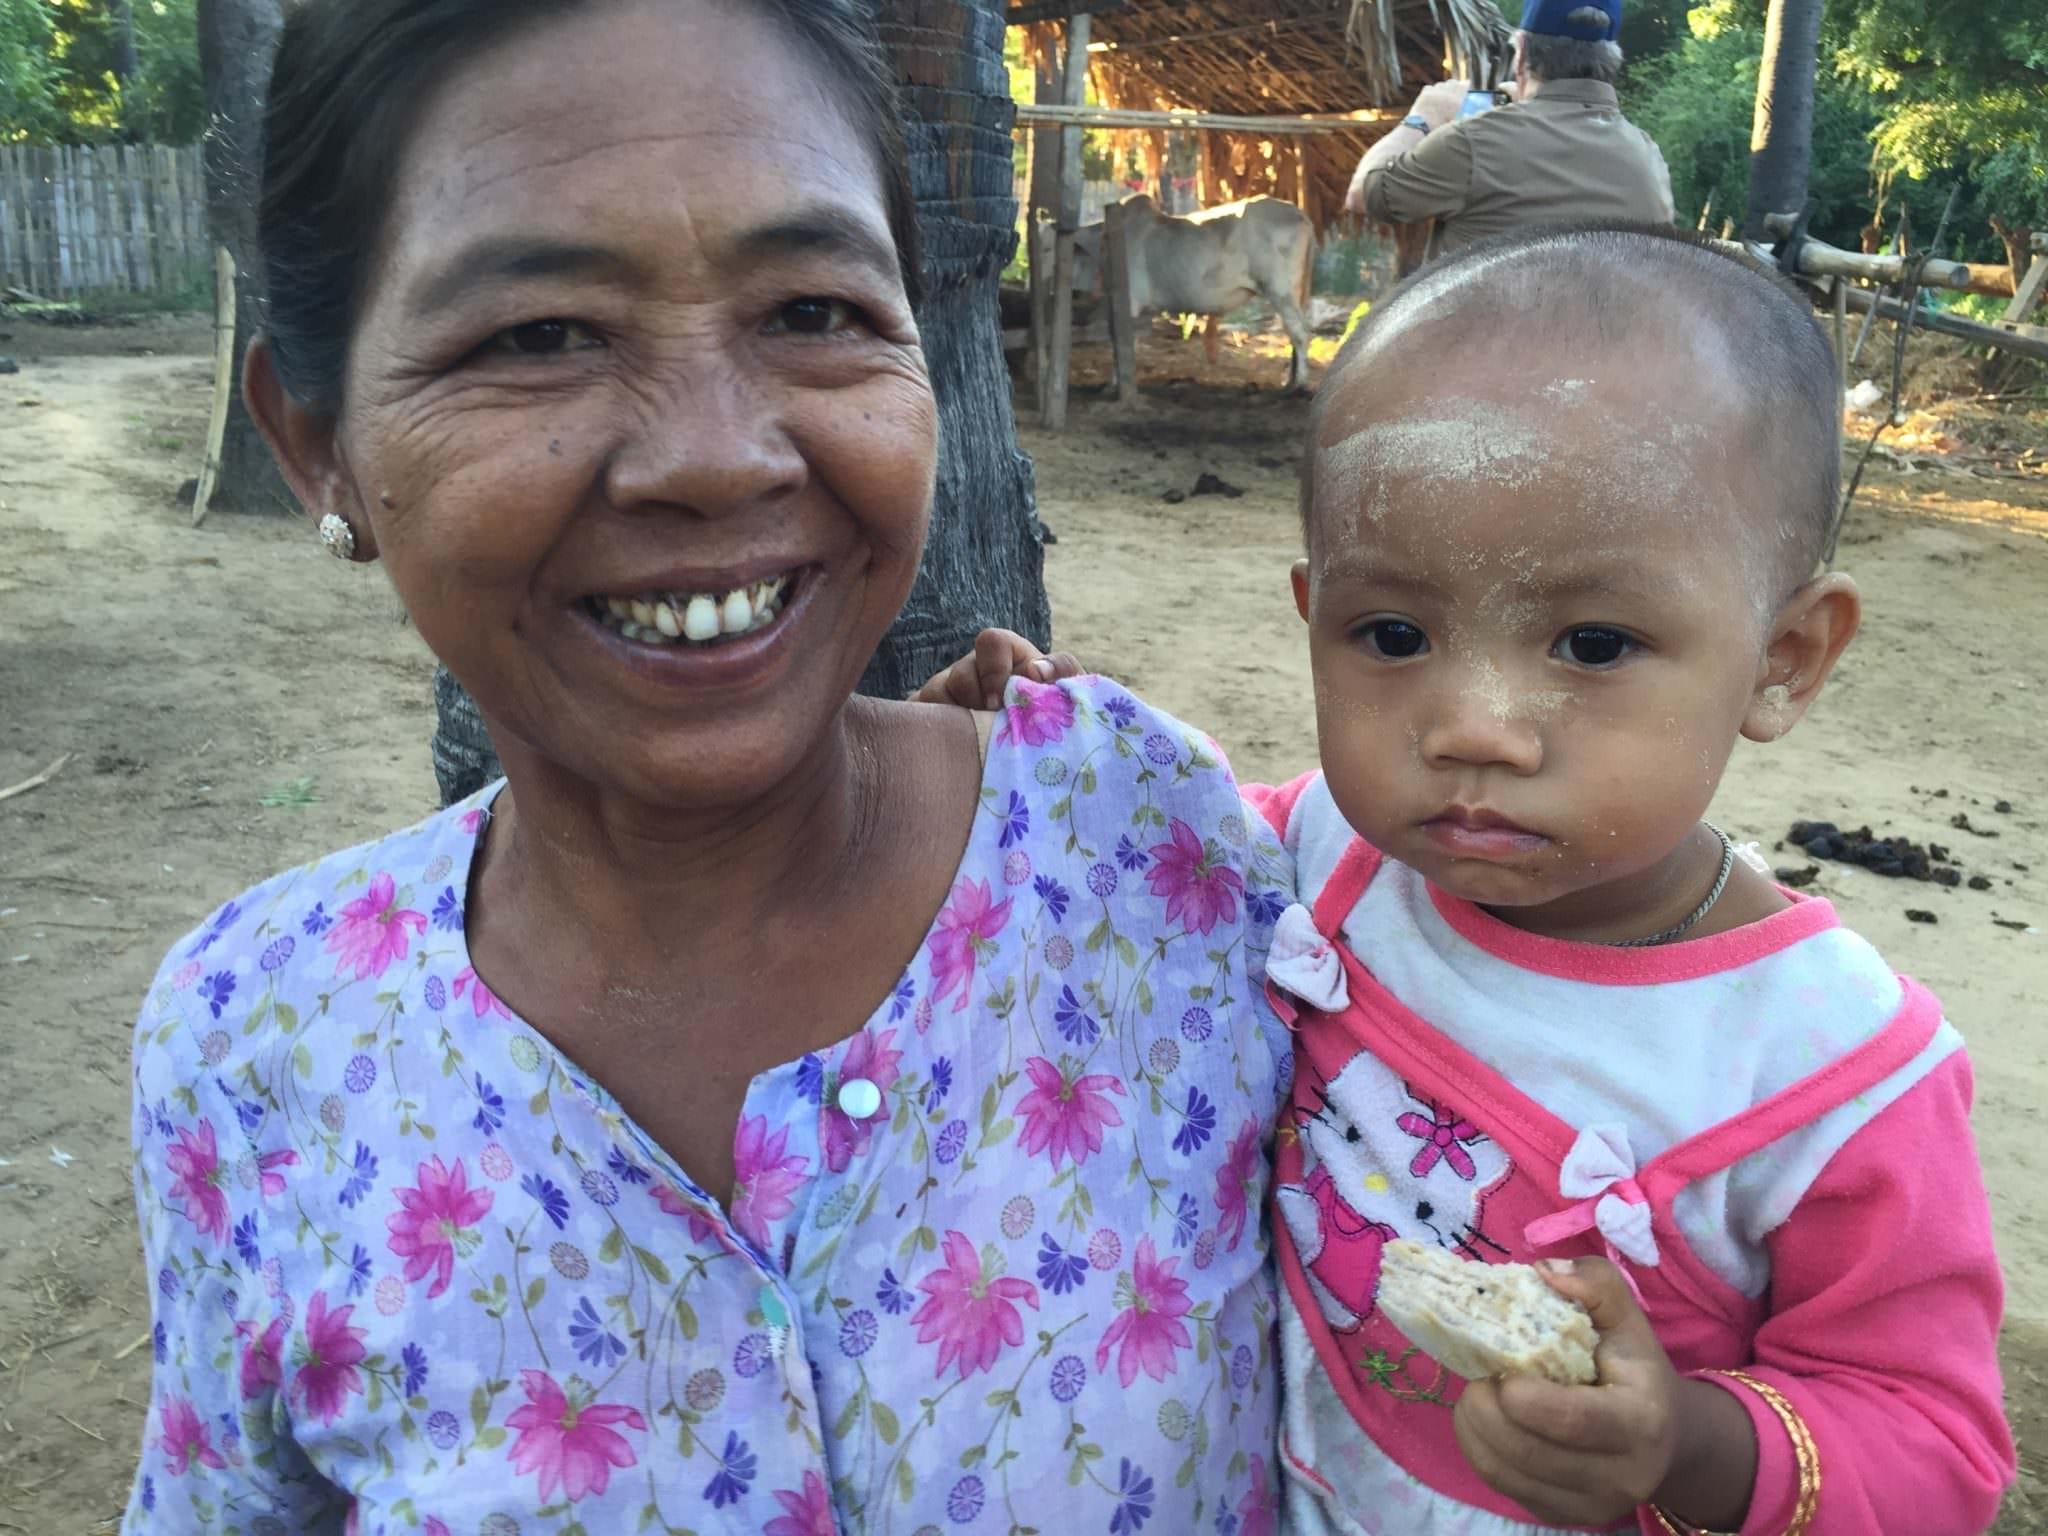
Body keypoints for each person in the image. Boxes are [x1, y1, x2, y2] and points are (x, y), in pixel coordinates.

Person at [120, 1, 1295, 1530]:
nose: (716, 456)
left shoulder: (1154, 859)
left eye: (812, 311)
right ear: (316, 447)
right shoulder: (253, 1043)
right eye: (538, 337)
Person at [920, 225, 2016, 1533]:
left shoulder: (1831, 1076)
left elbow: (1938, 1449)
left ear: (1783, 658)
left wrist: (1685, 1444)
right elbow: (1167, 840)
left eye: (1593, 642)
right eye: (1394, 635)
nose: (1473, 726)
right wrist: (1043, 746)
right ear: (1312, 615)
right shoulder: (1329, 856)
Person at [1343, 0, 1674, 261]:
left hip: (1487, 344)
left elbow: (1362, 194)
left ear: (1521, 55)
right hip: (1608, 345)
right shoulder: (1648, 159)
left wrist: (1423, 115)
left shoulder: (1473, 143)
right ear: (1612, 59)